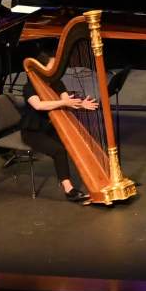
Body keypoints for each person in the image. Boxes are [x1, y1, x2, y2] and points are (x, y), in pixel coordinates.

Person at [19, 64, 96, 203]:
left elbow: (67, 101)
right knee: (59, 150)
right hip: (32, 131)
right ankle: (69, 190)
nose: (54, 69)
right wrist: (64, 102)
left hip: (50, 128)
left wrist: (80, 104)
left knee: (77, 141)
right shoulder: (29, 87)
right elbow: (39, 105)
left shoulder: (56, 83)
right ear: (41, 69)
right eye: (51, 67)